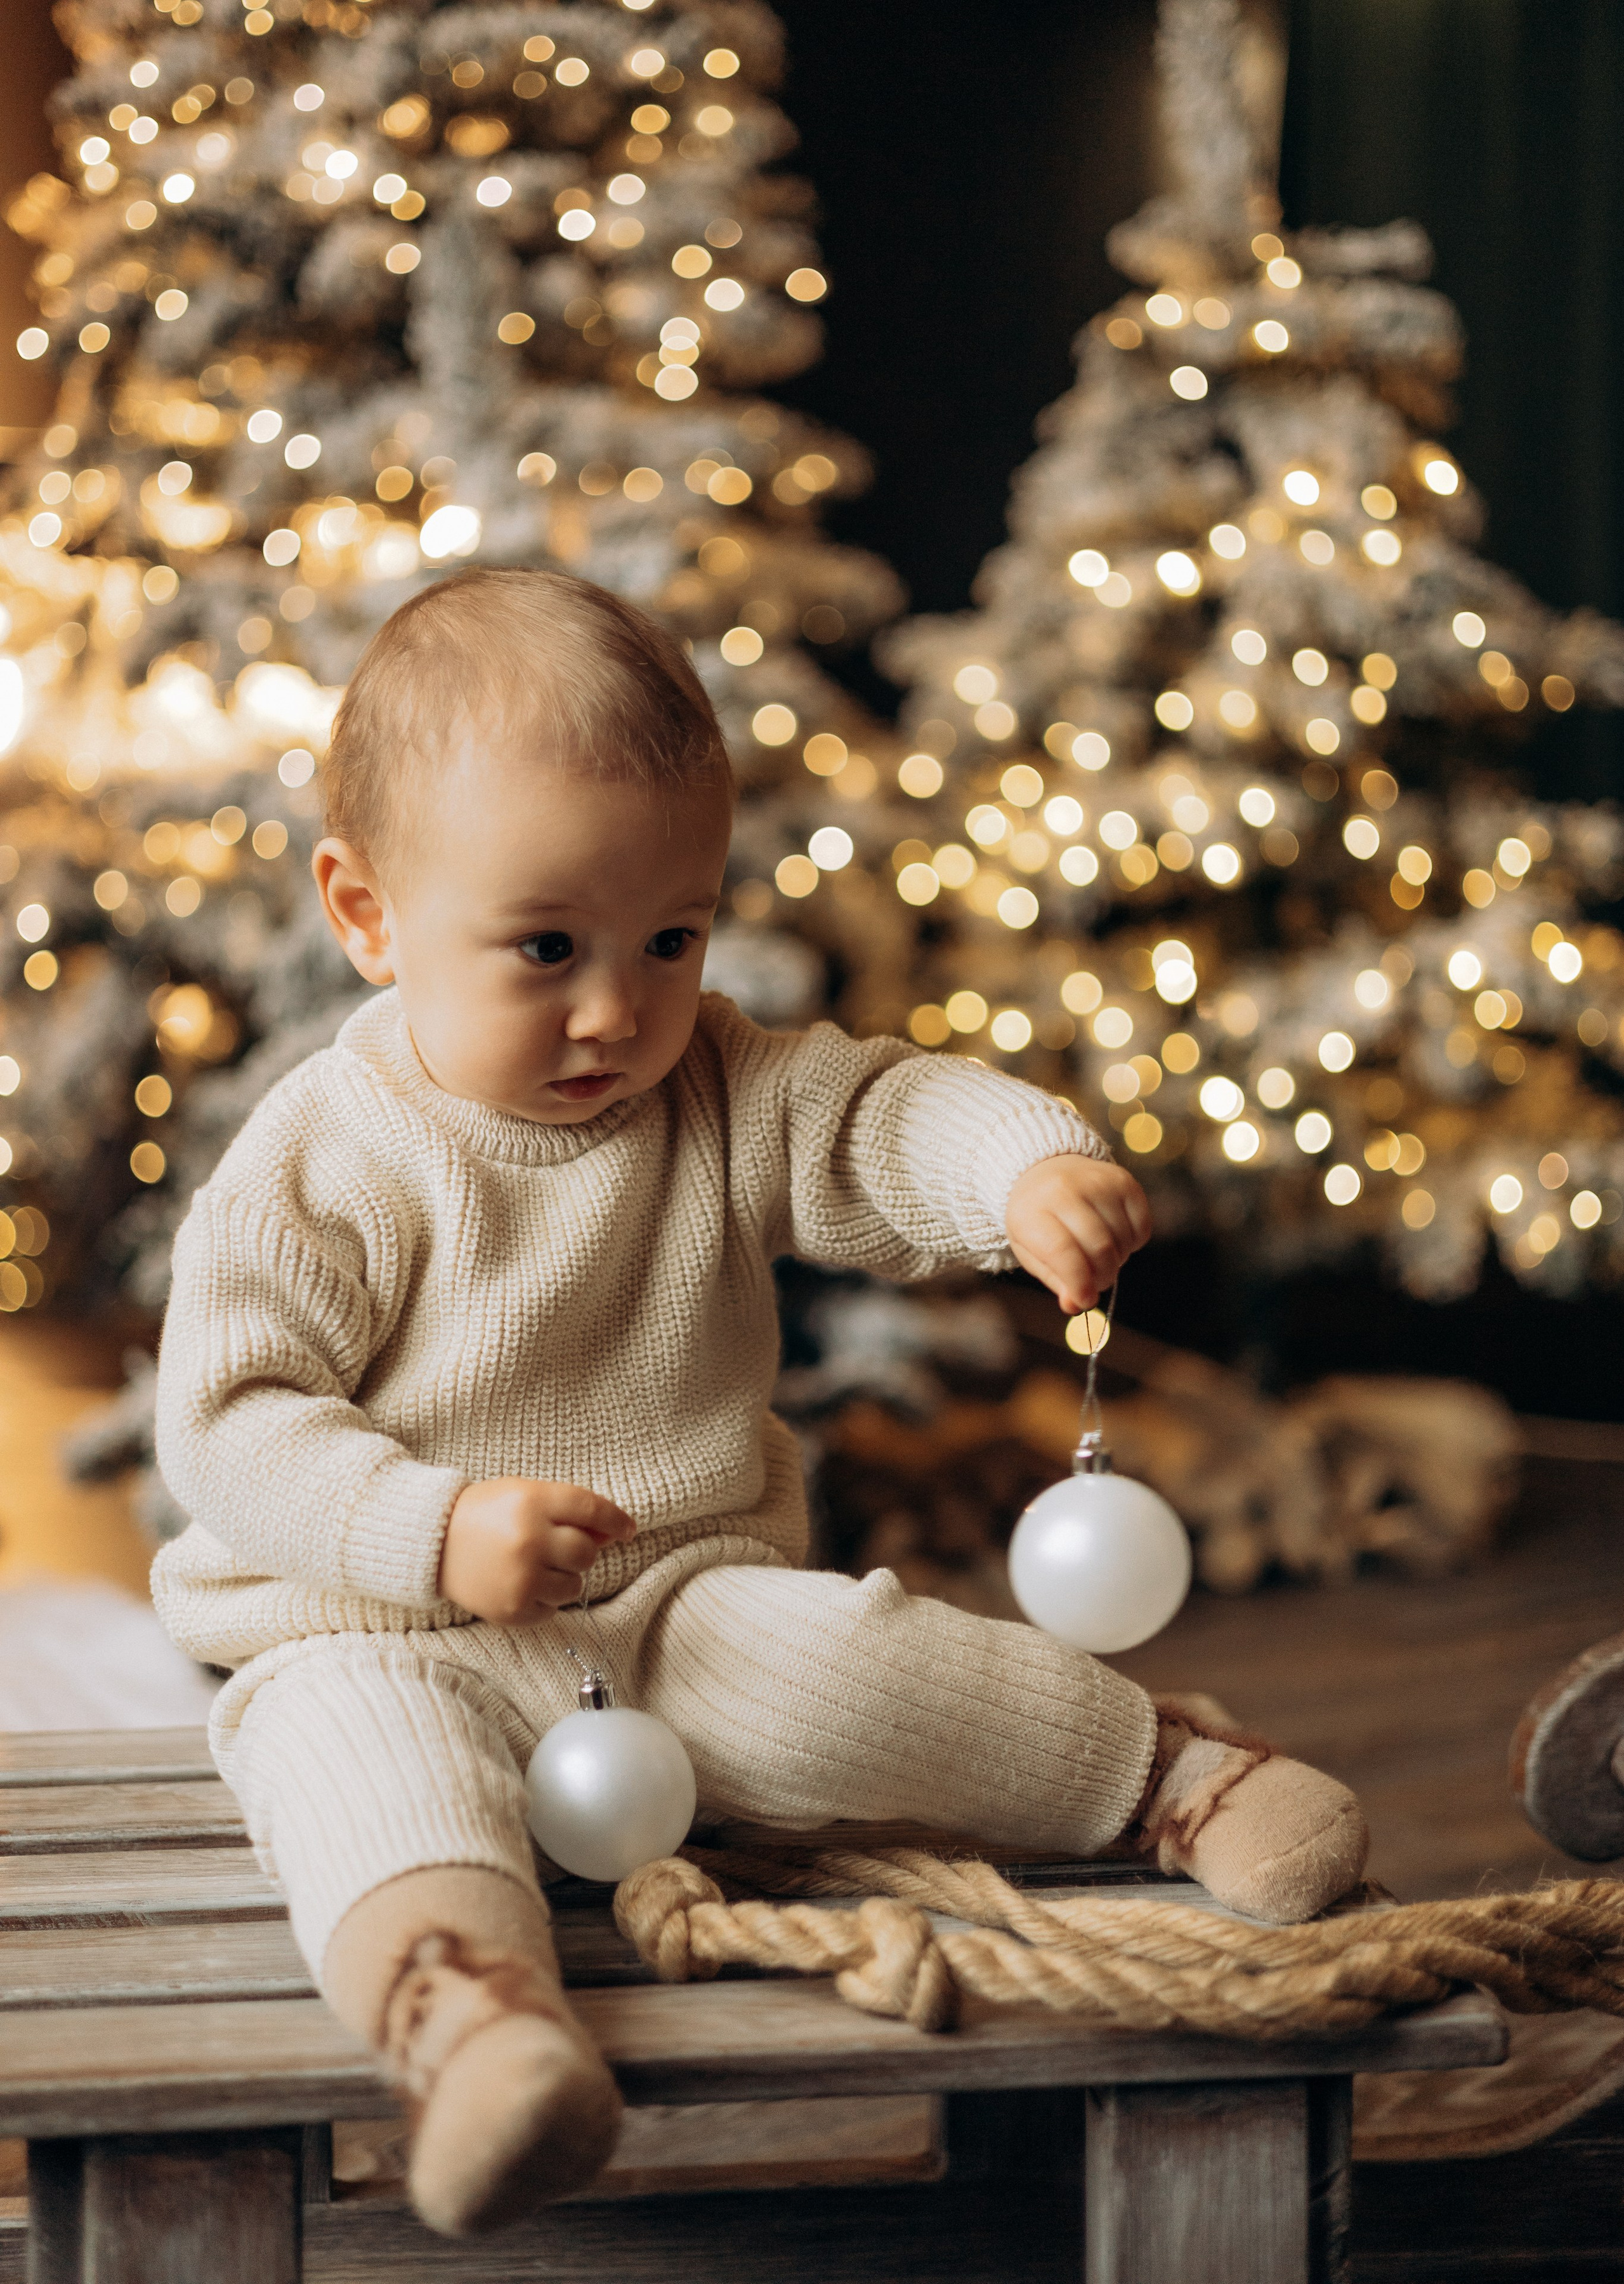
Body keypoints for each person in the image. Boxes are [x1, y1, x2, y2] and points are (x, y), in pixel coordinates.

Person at [152, 567, 1366, 2237]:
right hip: (363, 1618)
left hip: (671, 1593)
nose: (615, 1009)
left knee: (857, 1671)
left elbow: (871, 1116)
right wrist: (428, 1529)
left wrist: (1023, 1171)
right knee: (366, 1776)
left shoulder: (710, 1079)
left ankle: (1177, 1781)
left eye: (671, 937)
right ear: (366, 912)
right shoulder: (331, 1156)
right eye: (546, 950)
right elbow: (230, 1423)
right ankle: (476, 2031)